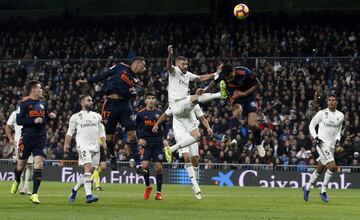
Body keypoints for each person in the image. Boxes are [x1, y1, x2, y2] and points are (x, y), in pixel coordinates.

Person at [76, 57, 146, 170]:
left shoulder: (136, 80)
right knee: (108, 138)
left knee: (132, 135)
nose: (145, 69)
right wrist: (87, 80)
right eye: (144, 66)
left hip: (125, 105)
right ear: (137, 63)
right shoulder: (120, 67)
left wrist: (133, 94)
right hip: (110, 104)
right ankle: (113, 156)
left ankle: (138, 163)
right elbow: (104, 75)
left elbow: (132, 96)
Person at [163, 45, 226, 157]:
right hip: (176, 104)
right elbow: (169, 66)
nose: (186, 66)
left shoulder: (187, 75)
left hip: (183, 111)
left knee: (197, 136)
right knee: (196, 96)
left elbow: (200, 78)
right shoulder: (174, 71)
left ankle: (171, 149)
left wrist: (216, 74)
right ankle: (219, 94)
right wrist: (170, 55)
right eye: (183, 64)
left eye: (187, 64)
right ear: (177, 64)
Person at [199, 63, 265, 157]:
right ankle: (233, 139)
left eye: (230, 77)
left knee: (252, 125)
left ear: (233, 71)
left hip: (249, 97)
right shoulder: (222, 75)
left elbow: (258, 84)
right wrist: (204, 91)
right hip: (235, 96)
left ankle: (258, 144)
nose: (229, 79)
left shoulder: (245, 72)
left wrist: (244, 93)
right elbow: (212, 85)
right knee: (237, 111)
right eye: (227, 78)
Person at [10, 80, 56, 204]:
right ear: (33, 90)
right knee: (21, 165)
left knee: (39, 164)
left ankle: (35, 194)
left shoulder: (42, 104)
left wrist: (49, 116)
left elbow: (44, 118)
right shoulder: (24, 104)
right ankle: (17, 179)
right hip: (27, 137)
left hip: (40, 138)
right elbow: (19, 121)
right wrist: (33, 121)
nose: (41, 90)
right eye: (39, 88)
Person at [154, 104, 213, 200]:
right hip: (180, 133)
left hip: (192, 131)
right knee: (186, 157)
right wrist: (156, 124)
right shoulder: (175, 104)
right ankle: (195, 184)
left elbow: (202, 118)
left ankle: (195, 183)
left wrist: (208, 127)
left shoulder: (194, 103)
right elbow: (165, 115)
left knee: (195, 159)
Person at [64, 94, 106, 204]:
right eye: (89, 100)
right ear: (82, 103)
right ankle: (89, 196)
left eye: (91, 100)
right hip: (83, 146)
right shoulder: (75, 117)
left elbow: (101, 131)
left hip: (96, 147)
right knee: (87, 170)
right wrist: (66, 144)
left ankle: (74, 190)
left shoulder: (97, 116)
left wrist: (104, 142)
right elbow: (70, 132)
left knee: (90, 172)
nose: (91, 102)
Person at [303, 94, 344, 203]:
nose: (331, 102)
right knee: (332, 166)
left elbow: (339, 130)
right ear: (327, 102)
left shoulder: (341, 115)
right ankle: (323, 190)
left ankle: (307, 187)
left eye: (333, 100)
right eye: (329, 100)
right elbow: (311, 125)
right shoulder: (321, 113)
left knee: (320, 168)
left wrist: (338, 139)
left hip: (331, 145)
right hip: (321, 143)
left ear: (336, 102)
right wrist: (316, 137)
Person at [136, 92, 166, 200]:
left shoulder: (159, 113)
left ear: (155, 100)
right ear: (145, 101)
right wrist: (140, 138)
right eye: (149, 98)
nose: (151, 100)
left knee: (158, 168)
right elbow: (137, 128)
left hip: (157, 143)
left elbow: (165, 127)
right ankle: (148, 187)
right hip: (146, 143)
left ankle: (158, 193)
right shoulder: (140, 114)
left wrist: (165, 139)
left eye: (153, 98)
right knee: (144, 167)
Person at [5, 106, 33, 195]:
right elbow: (7, 126)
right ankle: (20, 187)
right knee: (21, 165)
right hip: (20, 142)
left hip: (31, 140)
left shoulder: (31, 112)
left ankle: (27, 188)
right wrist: (10, 138)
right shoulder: (15, 113)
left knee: (30, 165)